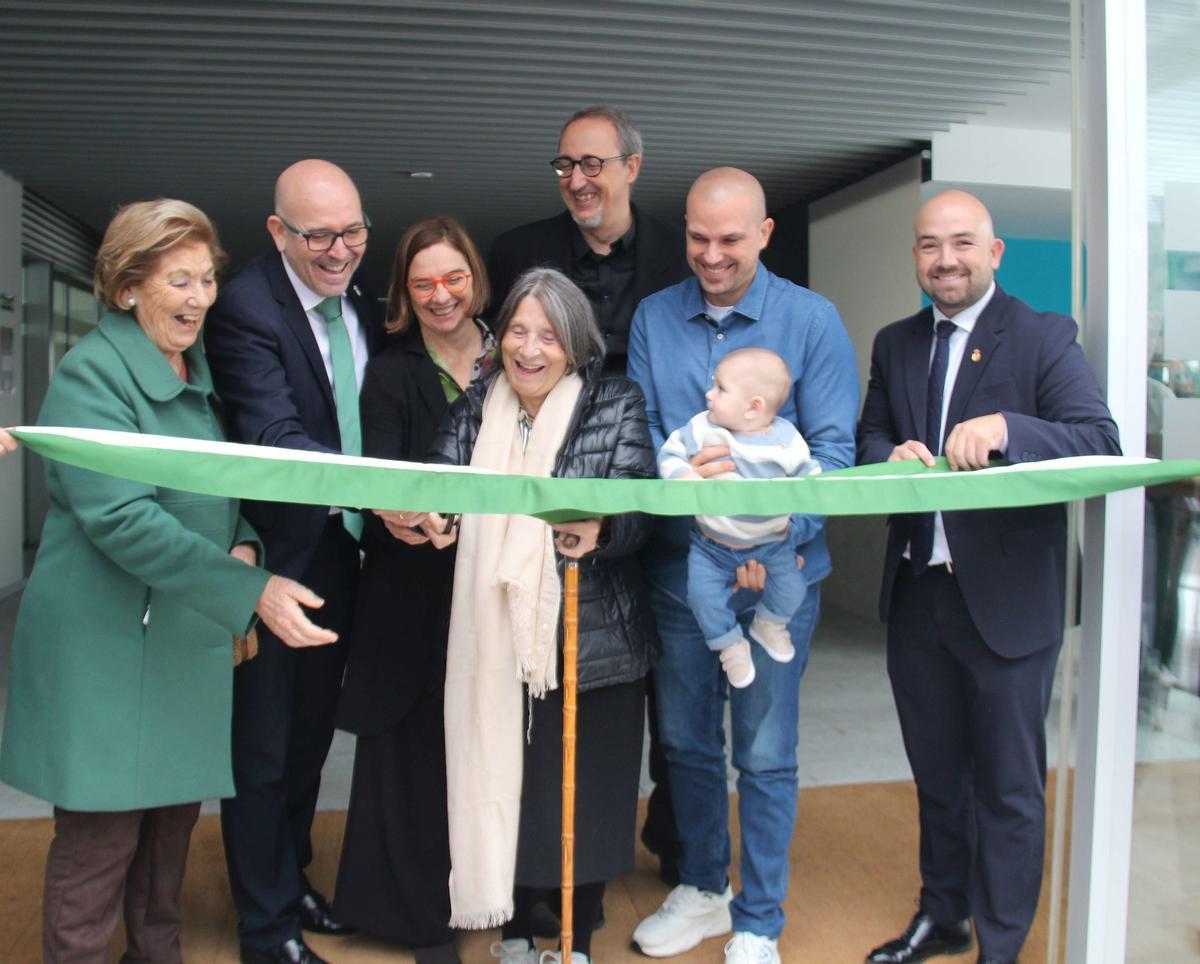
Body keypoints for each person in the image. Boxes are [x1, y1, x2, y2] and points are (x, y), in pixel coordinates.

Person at [0, 199, 336, 963]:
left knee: (167, 844)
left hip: (180, 644)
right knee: (99, 846)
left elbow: (218, 494)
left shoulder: (197, 370)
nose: (199, 298)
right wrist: (251, 593)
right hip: (105, 655)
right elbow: (121, 519)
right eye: (178, 281)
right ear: (126, 288)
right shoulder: (93, 375)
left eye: (207, 279)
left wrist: (247, 544)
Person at [857, 190, 1121, 964]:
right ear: (915, 257)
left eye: (963, 243)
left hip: (1007, 605)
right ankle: (944, 915)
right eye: (930, 246)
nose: (946, 259)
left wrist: (1009, 429)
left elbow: (1096, 437)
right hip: (917, 594)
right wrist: (887, 457)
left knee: (1008, 788)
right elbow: (871, 434)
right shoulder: (896, 341)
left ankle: (1000, 948)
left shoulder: (1041, 337)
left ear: (994, 252)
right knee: (938, 776)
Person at [629, 168, 859, 964]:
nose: (713, 255)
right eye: (698, 238)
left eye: (731, 239)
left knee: (765, 751)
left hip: (779, 571)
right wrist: (682, 487)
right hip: (681, 572)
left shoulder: (813, 320)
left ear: (765, 233)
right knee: (688, 743)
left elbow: (831, 454)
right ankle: (701, 887)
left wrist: (772, 537)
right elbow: (645, 437)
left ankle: (759, 917)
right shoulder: (654, 318)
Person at [404, 267, 656, 964]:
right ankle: (514, 928)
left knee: (578, 794)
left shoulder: (615, 400)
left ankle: (572, 930)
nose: (529, 348)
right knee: (511, 781)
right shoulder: (480, 402)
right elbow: (441, 476)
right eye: (517, 330)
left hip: (590, 635)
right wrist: (428, 511)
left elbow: (641, 502)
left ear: (575, 343)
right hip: (495, 632)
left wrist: (602, 530)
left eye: (547, 334)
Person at [488, 103, 689, 886]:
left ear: (631, 167)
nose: (578, 181)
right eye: (565, 166)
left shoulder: (681, 251)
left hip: (662, 493)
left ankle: (673, 852)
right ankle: (538, 868)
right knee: (547, 687)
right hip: (546, 499)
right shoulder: (520, 250)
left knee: (670, 698)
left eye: (593, 165)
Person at [204, 159, 384, 964]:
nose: (340, 249)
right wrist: (387, 491)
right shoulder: (245, 308)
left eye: (352, 231)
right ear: (278, 232)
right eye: (319, 236)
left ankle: (293, 881)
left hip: (347, 556)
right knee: (264, 748)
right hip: (278, 559)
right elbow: (275, 436)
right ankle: (265, 928)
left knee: (311, 739)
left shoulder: (363, 309)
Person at [332, 215, 497, 964]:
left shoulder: (514, 354)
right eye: (423, 282)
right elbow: (385, 475)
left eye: (453, 278)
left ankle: (486, 899)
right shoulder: (394, 368)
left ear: (474, 279)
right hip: (414, 587)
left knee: (485, 750)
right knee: (413, 754)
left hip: (496, 589)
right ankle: (417, 918)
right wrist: (401, 512)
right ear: (405, 289)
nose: (440, 296)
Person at [658, 348, 820, 690]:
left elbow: (811, 480)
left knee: (793, 588)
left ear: (753, 407)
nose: (708, 394)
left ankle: (770, 625)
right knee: (702, 599)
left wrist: (802, 503)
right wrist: (683, 476)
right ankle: (730, 645)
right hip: (711, 546)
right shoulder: (703, 427)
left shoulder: (787, 440)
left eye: (720, 389)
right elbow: (670, 452)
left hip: (774, 543)